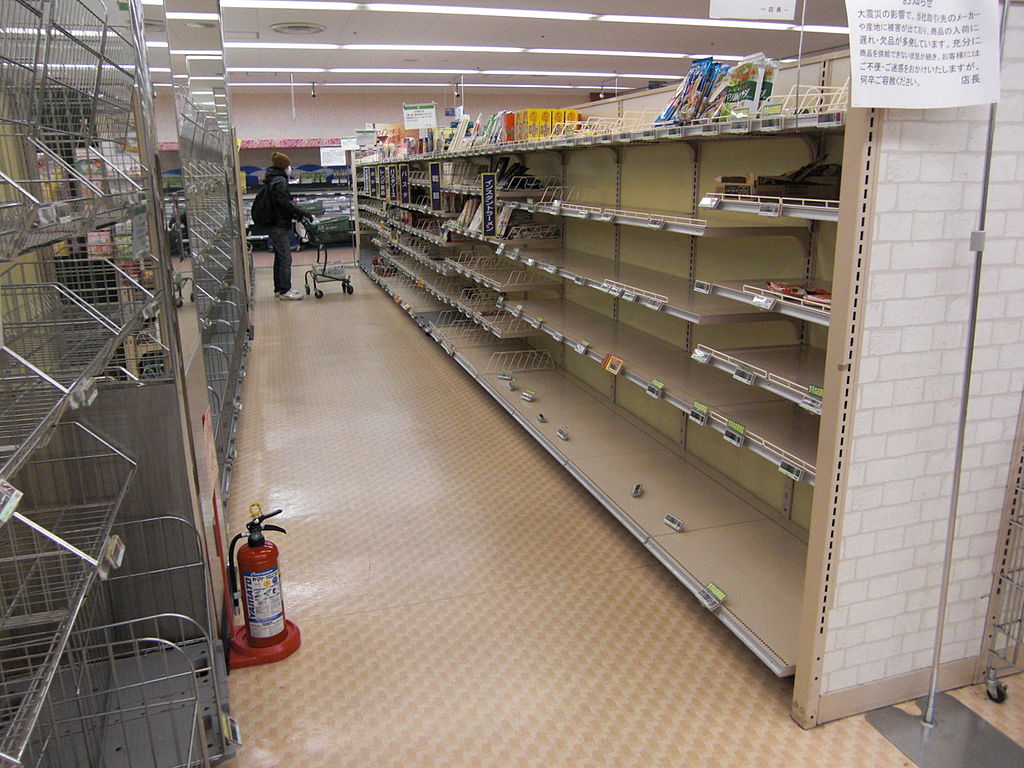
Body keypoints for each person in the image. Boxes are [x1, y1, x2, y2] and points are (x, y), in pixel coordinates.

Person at [263, 152, 313, 300]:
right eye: (288, 165)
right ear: (284, 166)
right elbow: (283, 203)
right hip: (278, 224)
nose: (289, 168)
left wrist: (295, 211)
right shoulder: (280, 181)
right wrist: (301, 212)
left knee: (279, 257)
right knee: (286, 258)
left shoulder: (272, 178)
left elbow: (282, 202)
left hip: (274, 222)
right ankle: (285, 290)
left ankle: (279, 289)